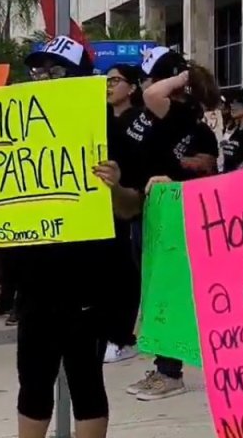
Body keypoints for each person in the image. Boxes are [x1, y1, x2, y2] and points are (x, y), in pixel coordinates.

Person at [0, 35, 143, 438]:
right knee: (32, 382)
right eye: (39, 69)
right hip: (33, 282)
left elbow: (133, 208)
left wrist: (114, 186)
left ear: (80, 76)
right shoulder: (15, 129)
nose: (46, 77)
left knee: (85, 382)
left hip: (89, 281)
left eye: (57, 69)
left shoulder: (107, 131)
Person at [123, 47, 221, 401]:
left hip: (174, 216)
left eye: (158, 78)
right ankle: (164, 366)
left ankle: (169, 371)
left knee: (170, 293)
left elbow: (206, 168)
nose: (149, 85)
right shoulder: (156, 116)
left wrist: (186, 75)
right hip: (148, 210)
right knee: (156, 290)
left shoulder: (179, 113)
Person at [102, 62, 146, 364]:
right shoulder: (98, 118)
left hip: (130, 200)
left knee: (125, 271)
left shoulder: (140, 121)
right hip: (100, 204)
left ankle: (124, 336)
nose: (109, 86)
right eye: (106, 80)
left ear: (131, 87)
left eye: (115, 80)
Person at [220, 88, 243, 172]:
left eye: (237, 103)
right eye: (232, 102)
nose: (232, 105)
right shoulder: (236, 130)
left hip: (240, 180)